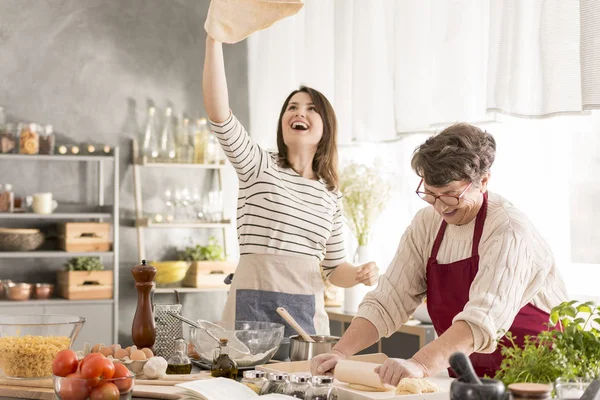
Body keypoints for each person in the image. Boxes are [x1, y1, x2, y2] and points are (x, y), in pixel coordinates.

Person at [310, 123, 569, 382]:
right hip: (469, 378)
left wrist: (420, 365)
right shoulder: (427, 224)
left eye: (450, 195)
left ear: (484, 181)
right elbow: (389, 300)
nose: (440, 207)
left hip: (535, 378)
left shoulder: (509, 230)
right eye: (431, 194)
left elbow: (483, 319)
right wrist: (341, 353)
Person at [202, 34, 380, 337]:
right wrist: (213, 42)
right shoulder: (257, 164)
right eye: (292, 107)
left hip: (305, 321)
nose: (300, 112)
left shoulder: (330, 194)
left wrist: (360, 274)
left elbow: (335, 269)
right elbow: (220, 114)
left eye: (312, 109)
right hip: (249, 313)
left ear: (326, 128)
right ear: (283, 122)